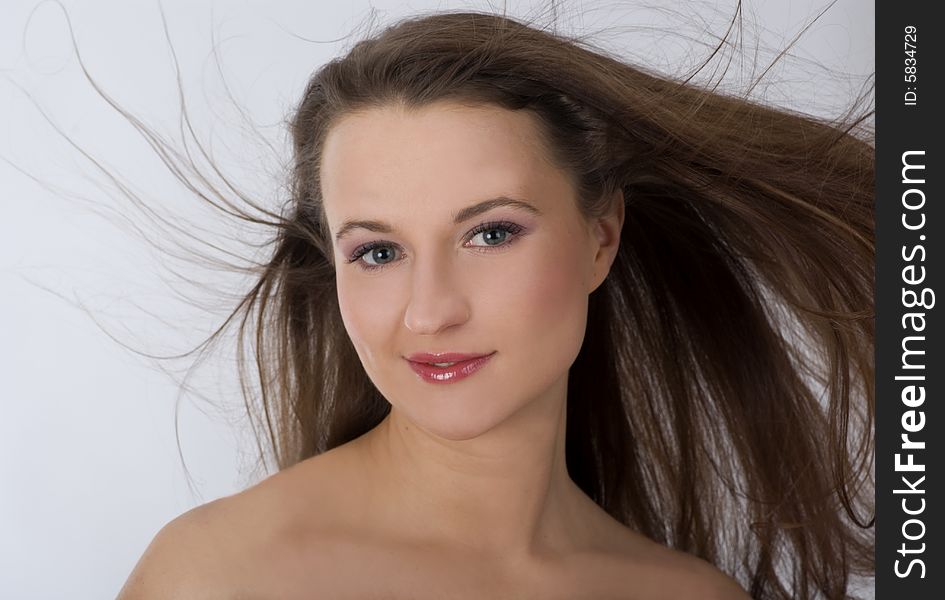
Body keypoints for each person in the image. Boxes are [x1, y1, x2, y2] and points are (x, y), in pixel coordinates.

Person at [115, 9, 874, 599]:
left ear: (600, 236)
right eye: (378, 252)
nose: (430, 312)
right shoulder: (221, 576)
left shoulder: (686, 594)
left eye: (490, 233)